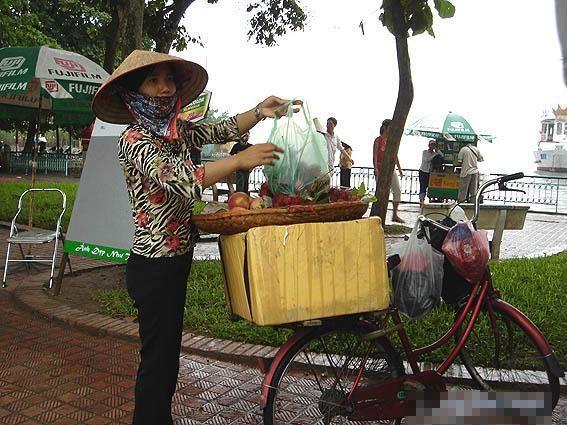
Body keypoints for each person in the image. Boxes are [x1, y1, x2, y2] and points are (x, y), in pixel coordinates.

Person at [91, 49, 296, 425]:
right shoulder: (134, 140)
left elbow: (217, 129)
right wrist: (237, 161)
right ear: (135, 93)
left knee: (166, 356)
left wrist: (258, 111)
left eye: (168, 79)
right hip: (153, 267)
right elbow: (182, 180)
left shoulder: (176, 130)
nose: (165, 87)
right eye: (154, 81)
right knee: (158, 360)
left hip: (176, 260)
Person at [373, 119, 404, 223]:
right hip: (380, 168)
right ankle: (379, 214)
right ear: (385, 127)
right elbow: (375, 155)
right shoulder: (378, 140)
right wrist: (375, 168)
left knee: (397, 190)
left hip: (391, 168)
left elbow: (395, 155)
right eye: (390, 127)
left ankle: (395, 214)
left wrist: (399, 169)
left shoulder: (391, 140)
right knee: (380, 192)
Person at [418, 139, 442, 207]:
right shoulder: (425, 152)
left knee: (430, 187)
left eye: (434, 145)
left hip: (430, 173)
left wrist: (437, 150)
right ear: (429, 145)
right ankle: (421, 201)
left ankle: (429, 200)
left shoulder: (435, 153)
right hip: (423, 171)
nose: (432, 146)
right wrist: (434, 155)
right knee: (422, 186)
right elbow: (426, 160)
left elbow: (442, 156)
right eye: (431, 145)